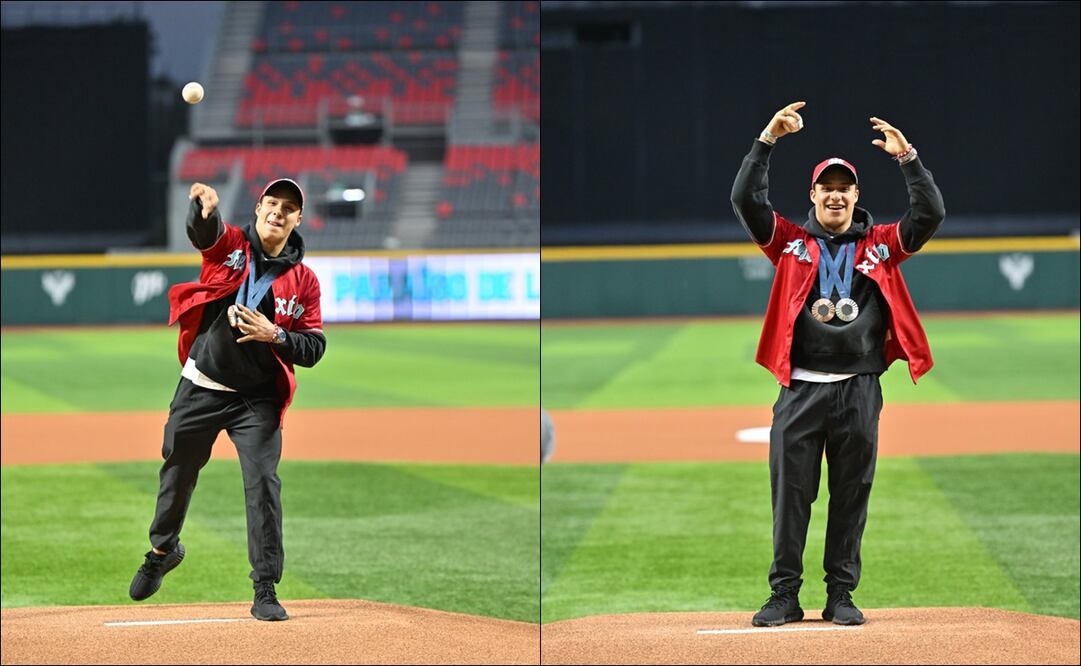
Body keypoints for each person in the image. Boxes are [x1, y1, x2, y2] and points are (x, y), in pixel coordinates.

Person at [730, 101, 945, 626]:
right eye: (825, 186)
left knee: (851, 495)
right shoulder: (790, 243)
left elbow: (929, 214)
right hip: (801, 388)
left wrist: (909, 159)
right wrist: (767, 140)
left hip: (859, 389)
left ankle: (840, 595)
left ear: (855, 195)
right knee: (792, 498)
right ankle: (784, 595)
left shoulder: (882, 244)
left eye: (843, 187)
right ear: (813, 195)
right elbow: (744, 199)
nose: (834, 194)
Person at [129, 178, 326, 621]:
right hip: (202, 383)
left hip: (256, 401)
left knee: (263, 484)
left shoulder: (305, 280)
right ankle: (162, 550)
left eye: (288, 207)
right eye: (272, 203)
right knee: (176, 468)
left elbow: (315, 347)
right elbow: (207, 237)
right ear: (258, 208)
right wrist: (204, 210)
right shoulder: (235, 245)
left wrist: (275, 334)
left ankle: (265, 587)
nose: (279, 211)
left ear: (298, 220)